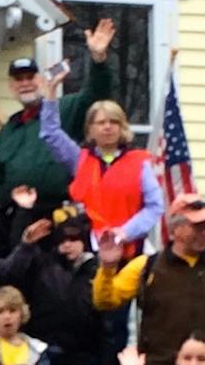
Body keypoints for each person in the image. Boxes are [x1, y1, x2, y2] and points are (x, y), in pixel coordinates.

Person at [94, 194, 205, 365]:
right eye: (197, 227)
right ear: (175, 230)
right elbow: (105, 301)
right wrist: (107, 269)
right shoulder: (146, 267)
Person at [0, 19, 116, 227]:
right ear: (11, 86)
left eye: (30, 77)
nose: (25, 83)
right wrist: (0, 204)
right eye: (19, 79)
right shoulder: (8, 130)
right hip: (17, 218)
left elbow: (97, 95)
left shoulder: (65, 109)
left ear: (42, 79)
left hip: (61, 216)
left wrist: (98, 59)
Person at [2, 205, 117, 365]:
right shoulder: (42, 265)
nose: (68, 246)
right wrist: (25, 221)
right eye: (63, 241)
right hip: (47, 352)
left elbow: (105, 317)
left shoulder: (97, 271)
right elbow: (13, 270)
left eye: (74, 240)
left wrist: (107, 356)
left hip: (82, 354)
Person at [47, 95, 164, 249]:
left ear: (122, 127)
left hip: (129, 248)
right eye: (101, 122)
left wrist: (125, 232)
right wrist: (50, 93)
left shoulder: (140, 162)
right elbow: (51, 133)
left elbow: (155, 206)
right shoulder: (79, 159)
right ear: (90, 129)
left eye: (114, 122)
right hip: (87, 250)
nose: (108, 127)